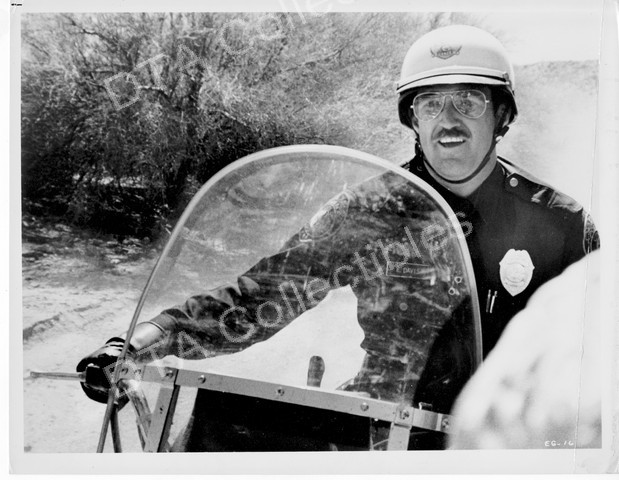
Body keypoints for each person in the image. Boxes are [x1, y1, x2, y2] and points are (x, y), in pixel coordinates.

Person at [76, 25, 600, 450]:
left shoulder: (562, 224)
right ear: (412, 118)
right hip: (379, 428)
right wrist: (145, 341)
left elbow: (596, 345)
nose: (449, 120)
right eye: (431, 104)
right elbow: (267, 292)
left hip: (498, 440)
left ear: (501, 115)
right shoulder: (369, 209)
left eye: (469, 101)